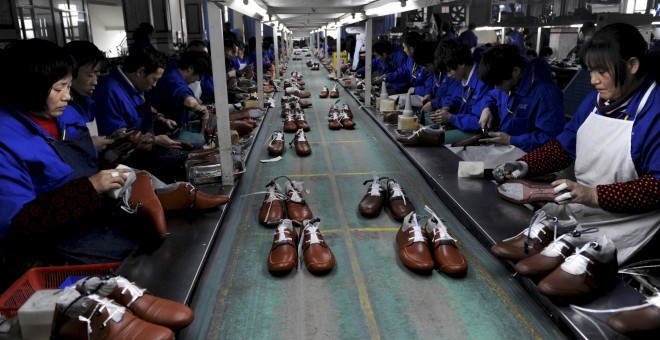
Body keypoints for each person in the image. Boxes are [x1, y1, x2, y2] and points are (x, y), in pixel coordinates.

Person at [492, 23, 660, 264]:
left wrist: (593, 195)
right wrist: (524, 165)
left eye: (601, 71)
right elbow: (564, 146)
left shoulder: (654, 111)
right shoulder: (595, 102)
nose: (593, 80)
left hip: (630, 224)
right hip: (585, 210)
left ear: (632, 66)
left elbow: (657, 186)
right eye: (590, 71)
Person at [0, 39, 136, 289]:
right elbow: (19, 226)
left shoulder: (67, 115)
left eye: (69, 85)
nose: (67, 96)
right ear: (28, 88)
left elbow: (83, 166)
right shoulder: (6, 140)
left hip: (95, 226)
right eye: (58, 88)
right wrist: (89, 189)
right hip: (54, 253)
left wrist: (116, 158)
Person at [92, 48, 189, 182]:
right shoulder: (110, 92)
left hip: (144, 151)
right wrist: (155, 140)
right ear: (140, 72)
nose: (155, 85)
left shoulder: (133, 85)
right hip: (126, 163)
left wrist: (160, 119)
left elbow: (142, 107)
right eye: (154, 79)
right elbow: (119, 140)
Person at [477, 44, 565, 154]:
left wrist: (511, 140)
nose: (497, 88)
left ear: (516, 71)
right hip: (505, 148)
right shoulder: (507, 80)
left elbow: (552, 138)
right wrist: (487, 108)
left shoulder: (546, 93)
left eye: (498, 83)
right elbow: (492, 95)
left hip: (529, 155)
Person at [429, 39, 495, 143]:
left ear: (461, 63)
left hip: (479, 134)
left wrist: (451, 118)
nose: (449, 75)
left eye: (450, 70)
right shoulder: (463, 77)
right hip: (464, 128)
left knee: (435, 140)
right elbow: (457, 97)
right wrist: (447, 107)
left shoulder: (482, 82)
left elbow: (478, 121)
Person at [62, 40, 114, 152]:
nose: (95, 82)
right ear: (71, 71)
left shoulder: (88, 103)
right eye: (90, 75)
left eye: (97, 75)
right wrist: (88, 146)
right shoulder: (60, 109)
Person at [148, 50, 211, 140]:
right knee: (206, 141)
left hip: (171, 127)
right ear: (190, 68)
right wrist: (201, 108)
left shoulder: (173, 68)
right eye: (198, 75)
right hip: (166, 135)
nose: (197, 79)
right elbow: (190, 103)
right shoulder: (173, 80)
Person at [381, 31, 432, 100]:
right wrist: (386, 77)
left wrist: (415, 90)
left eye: (404, 47)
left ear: (411, 49)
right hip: (417, 96)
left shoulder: (427, 64)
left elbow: (430, 90)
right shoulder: (411, 59)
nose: (404, 50)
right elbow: (402, 71)